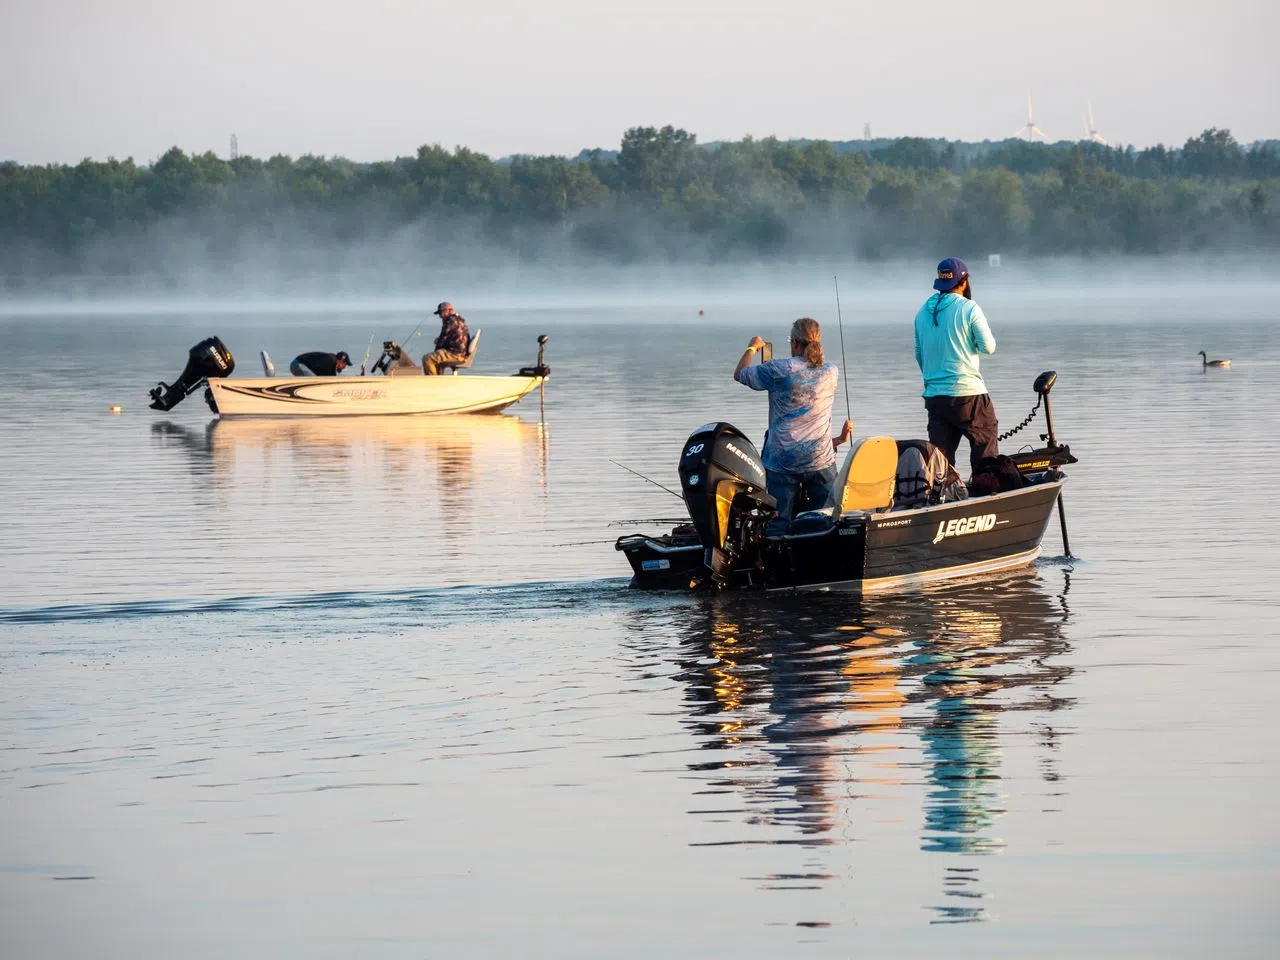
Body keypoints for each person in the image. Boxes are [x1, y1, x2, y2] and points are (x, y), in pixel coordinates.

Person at [734, 317, 854, 530]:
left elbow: (740, 374)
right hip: (821, 460)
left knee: (777, 523)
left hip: (783, 461)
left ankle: (777, 557)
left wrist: (752, 347)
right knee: (827, 519)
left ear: (795, 344)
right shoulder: (831, 372)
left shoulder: (778, 370)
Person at [913, 257, 998, 476]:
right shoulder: (969, 308)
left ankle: (943, 500)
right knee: (984, 451)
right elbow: (988, 347)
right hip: (969, 395)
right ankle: (984, 495)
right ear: (964, 281)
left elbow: (919, 354)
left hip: (935, 397)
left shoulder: (922, 313)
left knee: (941, 463)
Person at [422, 302, 471, 375]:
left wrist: (437, 342)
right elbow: (448, 337)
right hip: (461, 353)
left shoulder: (449, 320)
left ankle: (432, 382)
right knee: (436, 359)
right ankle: (439, 380)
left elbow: (442, 340)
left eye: (440, 313)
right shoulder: (459, 319)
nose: (440, 316)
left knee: (427, 359)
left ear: (447, 310)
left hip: (455, 354)